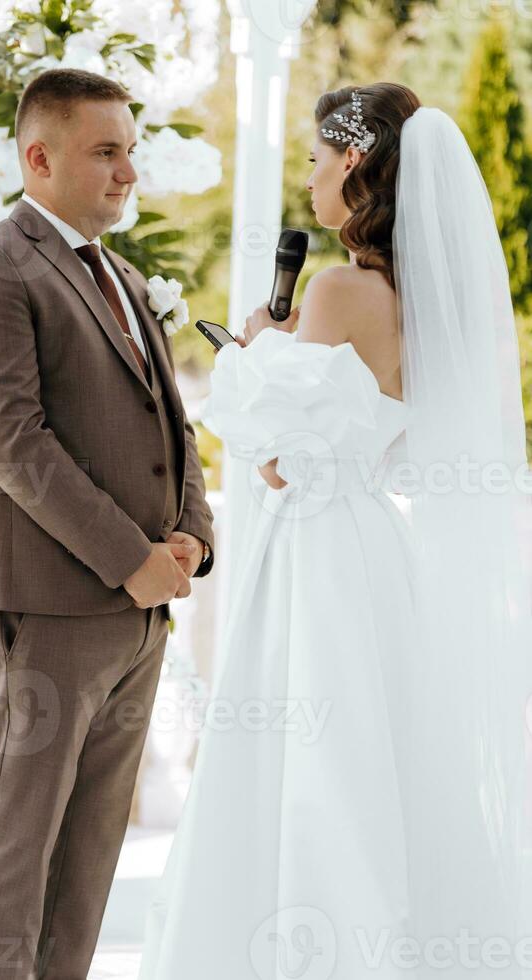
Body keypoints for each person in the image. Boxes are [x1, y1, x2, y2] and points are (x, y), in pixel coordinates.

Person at [139, 84, 532, 980]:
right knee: (373, 749)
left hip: (316, 545)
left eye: (316, 161)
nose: (310, 180)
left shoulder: (337, 290)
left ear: (354, 163)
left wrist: (249, 353)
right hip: (372, 546)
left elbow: (284, 462)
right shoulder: (424, 297)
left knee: (307, 752)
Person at [0, 68, 215, 980]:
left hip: (140, 618)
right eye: (106, 152)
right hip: (47, 609)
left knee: (89, 858)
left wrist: (192, 536)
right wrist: (130, 557)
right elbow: (15, 441)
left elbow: (173, 426)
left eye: (130, 151)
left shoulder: (127, 277)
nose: (129, 172)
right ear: (39, 157)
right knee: (20, 844)